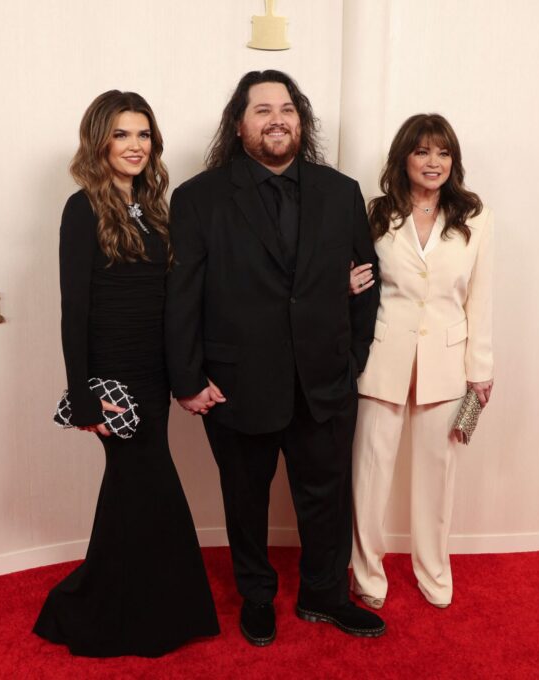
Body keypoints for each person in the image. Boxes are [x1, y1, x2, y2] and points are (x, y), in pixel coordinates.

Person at [165, 70, 384, 646]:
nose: (277, 119)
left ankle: (324, 593)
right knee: (245, 498)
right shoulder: (197, 198)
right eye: (261, 110)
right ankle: (256, 596)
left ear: (301, 119)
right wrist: (186, 379)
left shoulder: (341, 192)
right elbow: (182, 295)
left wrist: (352, 358)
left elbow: (367, 280)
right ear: (238, 126)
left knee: (326, 495)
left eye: (286, 108)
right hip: (236, 383)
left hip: (324, 379)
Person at [33, 90, 219, 657]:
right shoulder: (80, 207)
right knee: (147, 487)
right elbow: (75, 308)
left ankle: (119, 607)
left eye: (143, 135)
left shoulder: (153, 206)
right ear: (99, 141)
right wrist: (84, 395)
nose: (135, 146)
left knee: (130, 493)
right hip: (113, 377)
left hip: (154, 372)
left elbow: (172, 296)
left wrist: (184, 372)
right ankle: (127, 616)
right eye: (122, 134)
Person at [349, 113, 493, 610]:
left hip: (448, 366)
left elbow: (481, 297)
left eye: (443, 152)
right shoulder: (376, 214)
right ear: (404, 158)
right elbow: (357, 281)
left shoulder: (476, 218)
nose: (434, 162)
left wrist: (481, 369)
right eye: (422, 151)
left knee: (438, 476)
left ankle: (433, 571)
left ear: (453, 161)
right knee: (370, 476)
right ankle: (368, 575)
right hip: (383, 359)